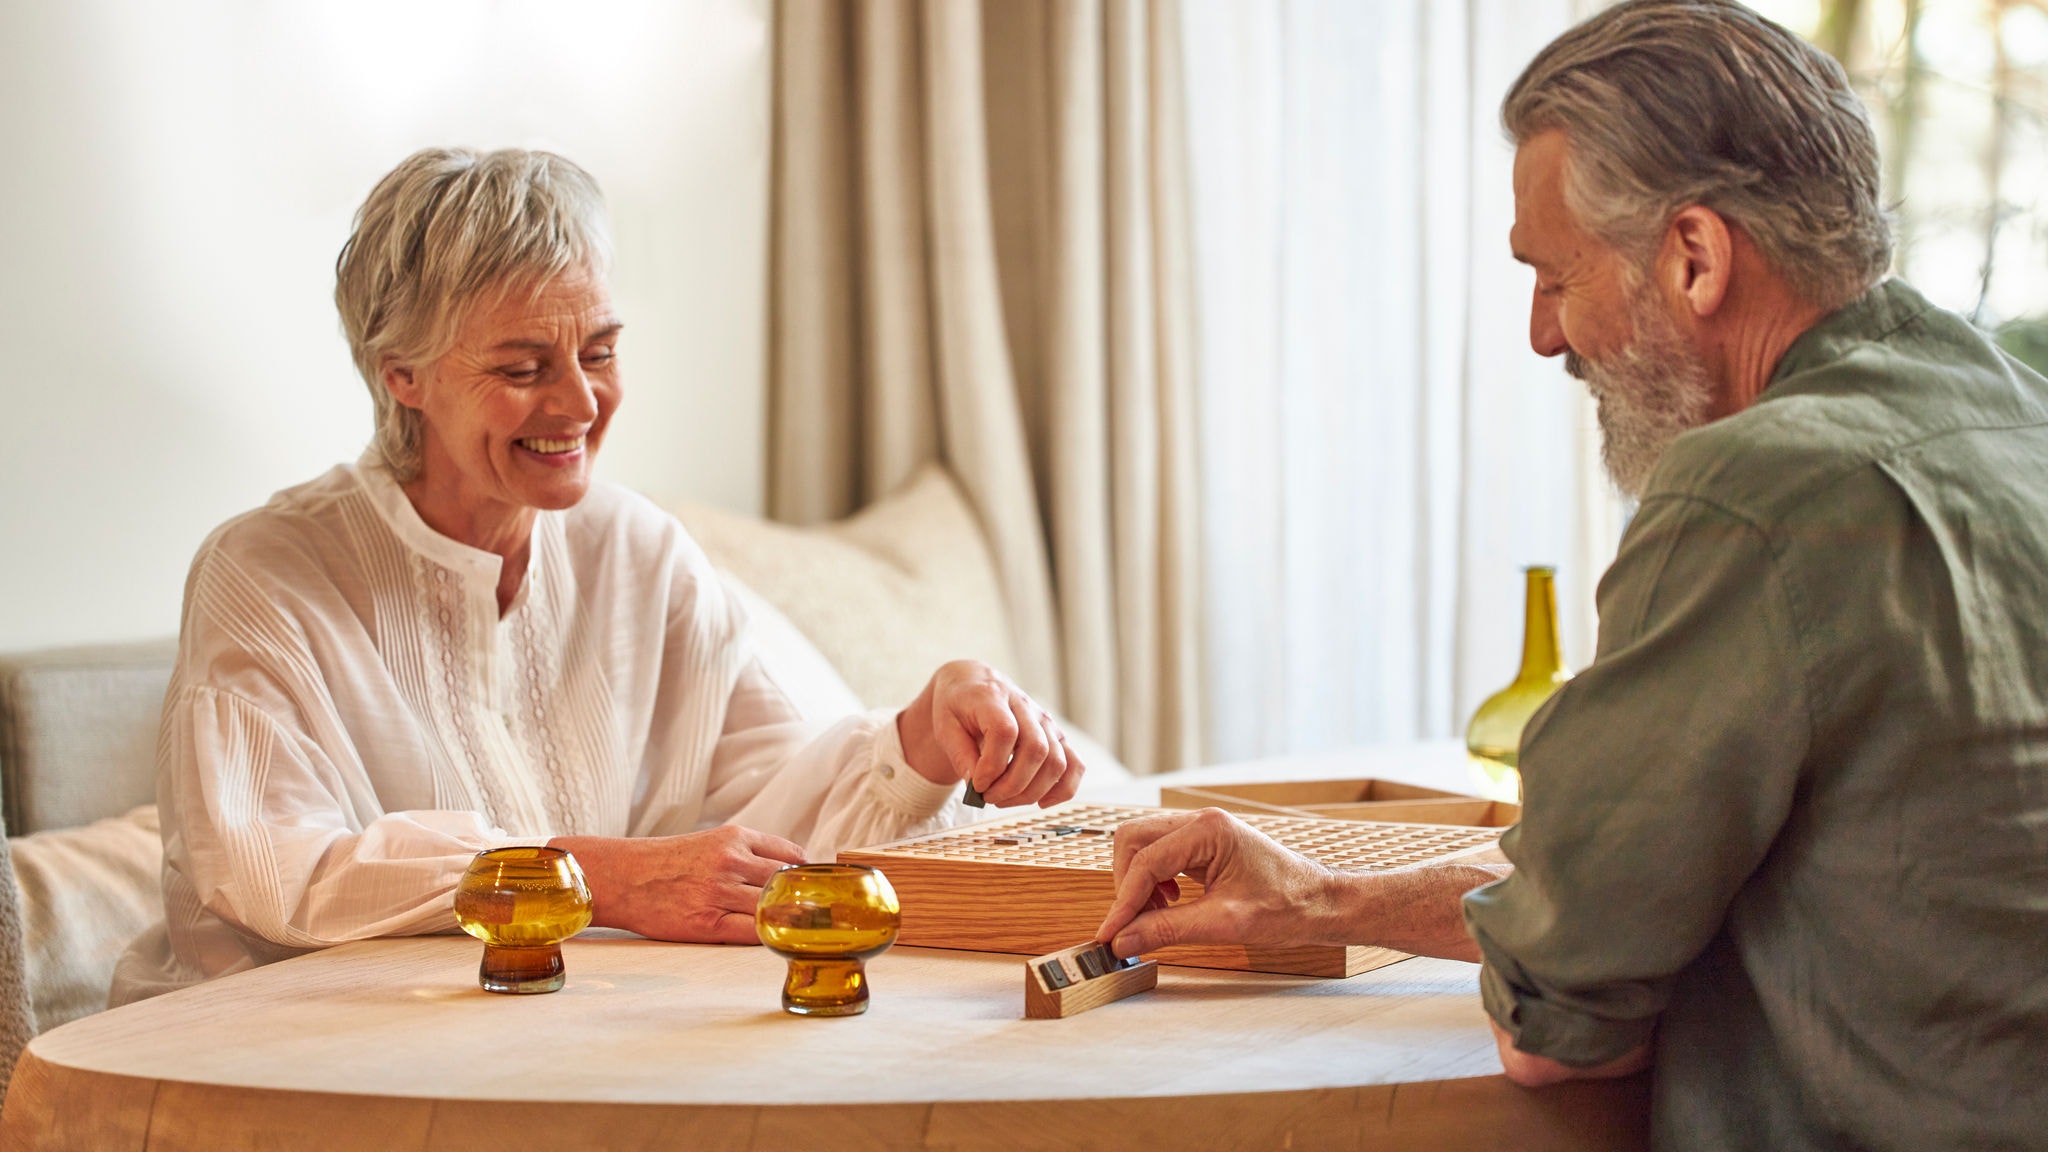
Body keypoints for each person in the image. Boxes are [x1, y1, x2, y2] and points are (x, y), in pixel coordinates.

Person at [1094, 1, 2048, 1147]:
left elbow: (1556, 1030)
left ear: (1692, 256)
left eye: (1556, 276)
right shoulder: (2014, 421)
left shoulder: (1749, 495)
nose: (1544, 335)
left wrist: (1557, 945)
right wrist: (1315, 896)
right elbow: (1639, 889)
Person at [112, 148, 1082, 1002]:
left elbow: (777, 822)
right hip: (275, 1059)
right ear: (399, 371)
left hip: (561, 1040)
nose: (580, 401)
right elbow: (271, 867)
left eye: (601, 351)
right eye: (525, 366)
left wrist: (923, 736)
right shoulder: (266, 572)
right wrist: (593, 876)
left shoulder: (637, 549)